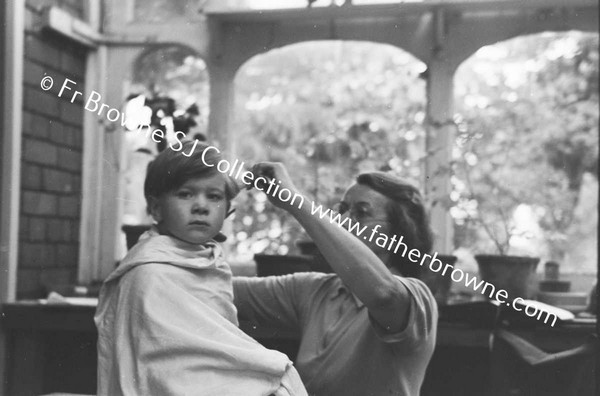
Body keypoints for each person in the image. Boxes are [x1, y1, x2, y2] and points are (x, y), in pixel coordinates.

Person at [94, 142, 307, 396]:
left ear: (228, 211)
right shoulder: (148, 273)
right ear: (155, 208)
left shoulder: (211, 260)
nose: (201, 206)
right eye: (185, 194)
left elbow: (218, 347)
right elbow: (167, 363)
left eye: (214, 197)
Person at [234, 163, 438, 396]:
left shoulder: (417, 299)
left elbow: (384, 295)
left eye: (362, 212)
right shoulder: (315, 289)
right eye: (342, 209)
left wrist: (295, 202)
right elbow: (222, 289)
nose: (343, 220)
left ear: (399, 233)